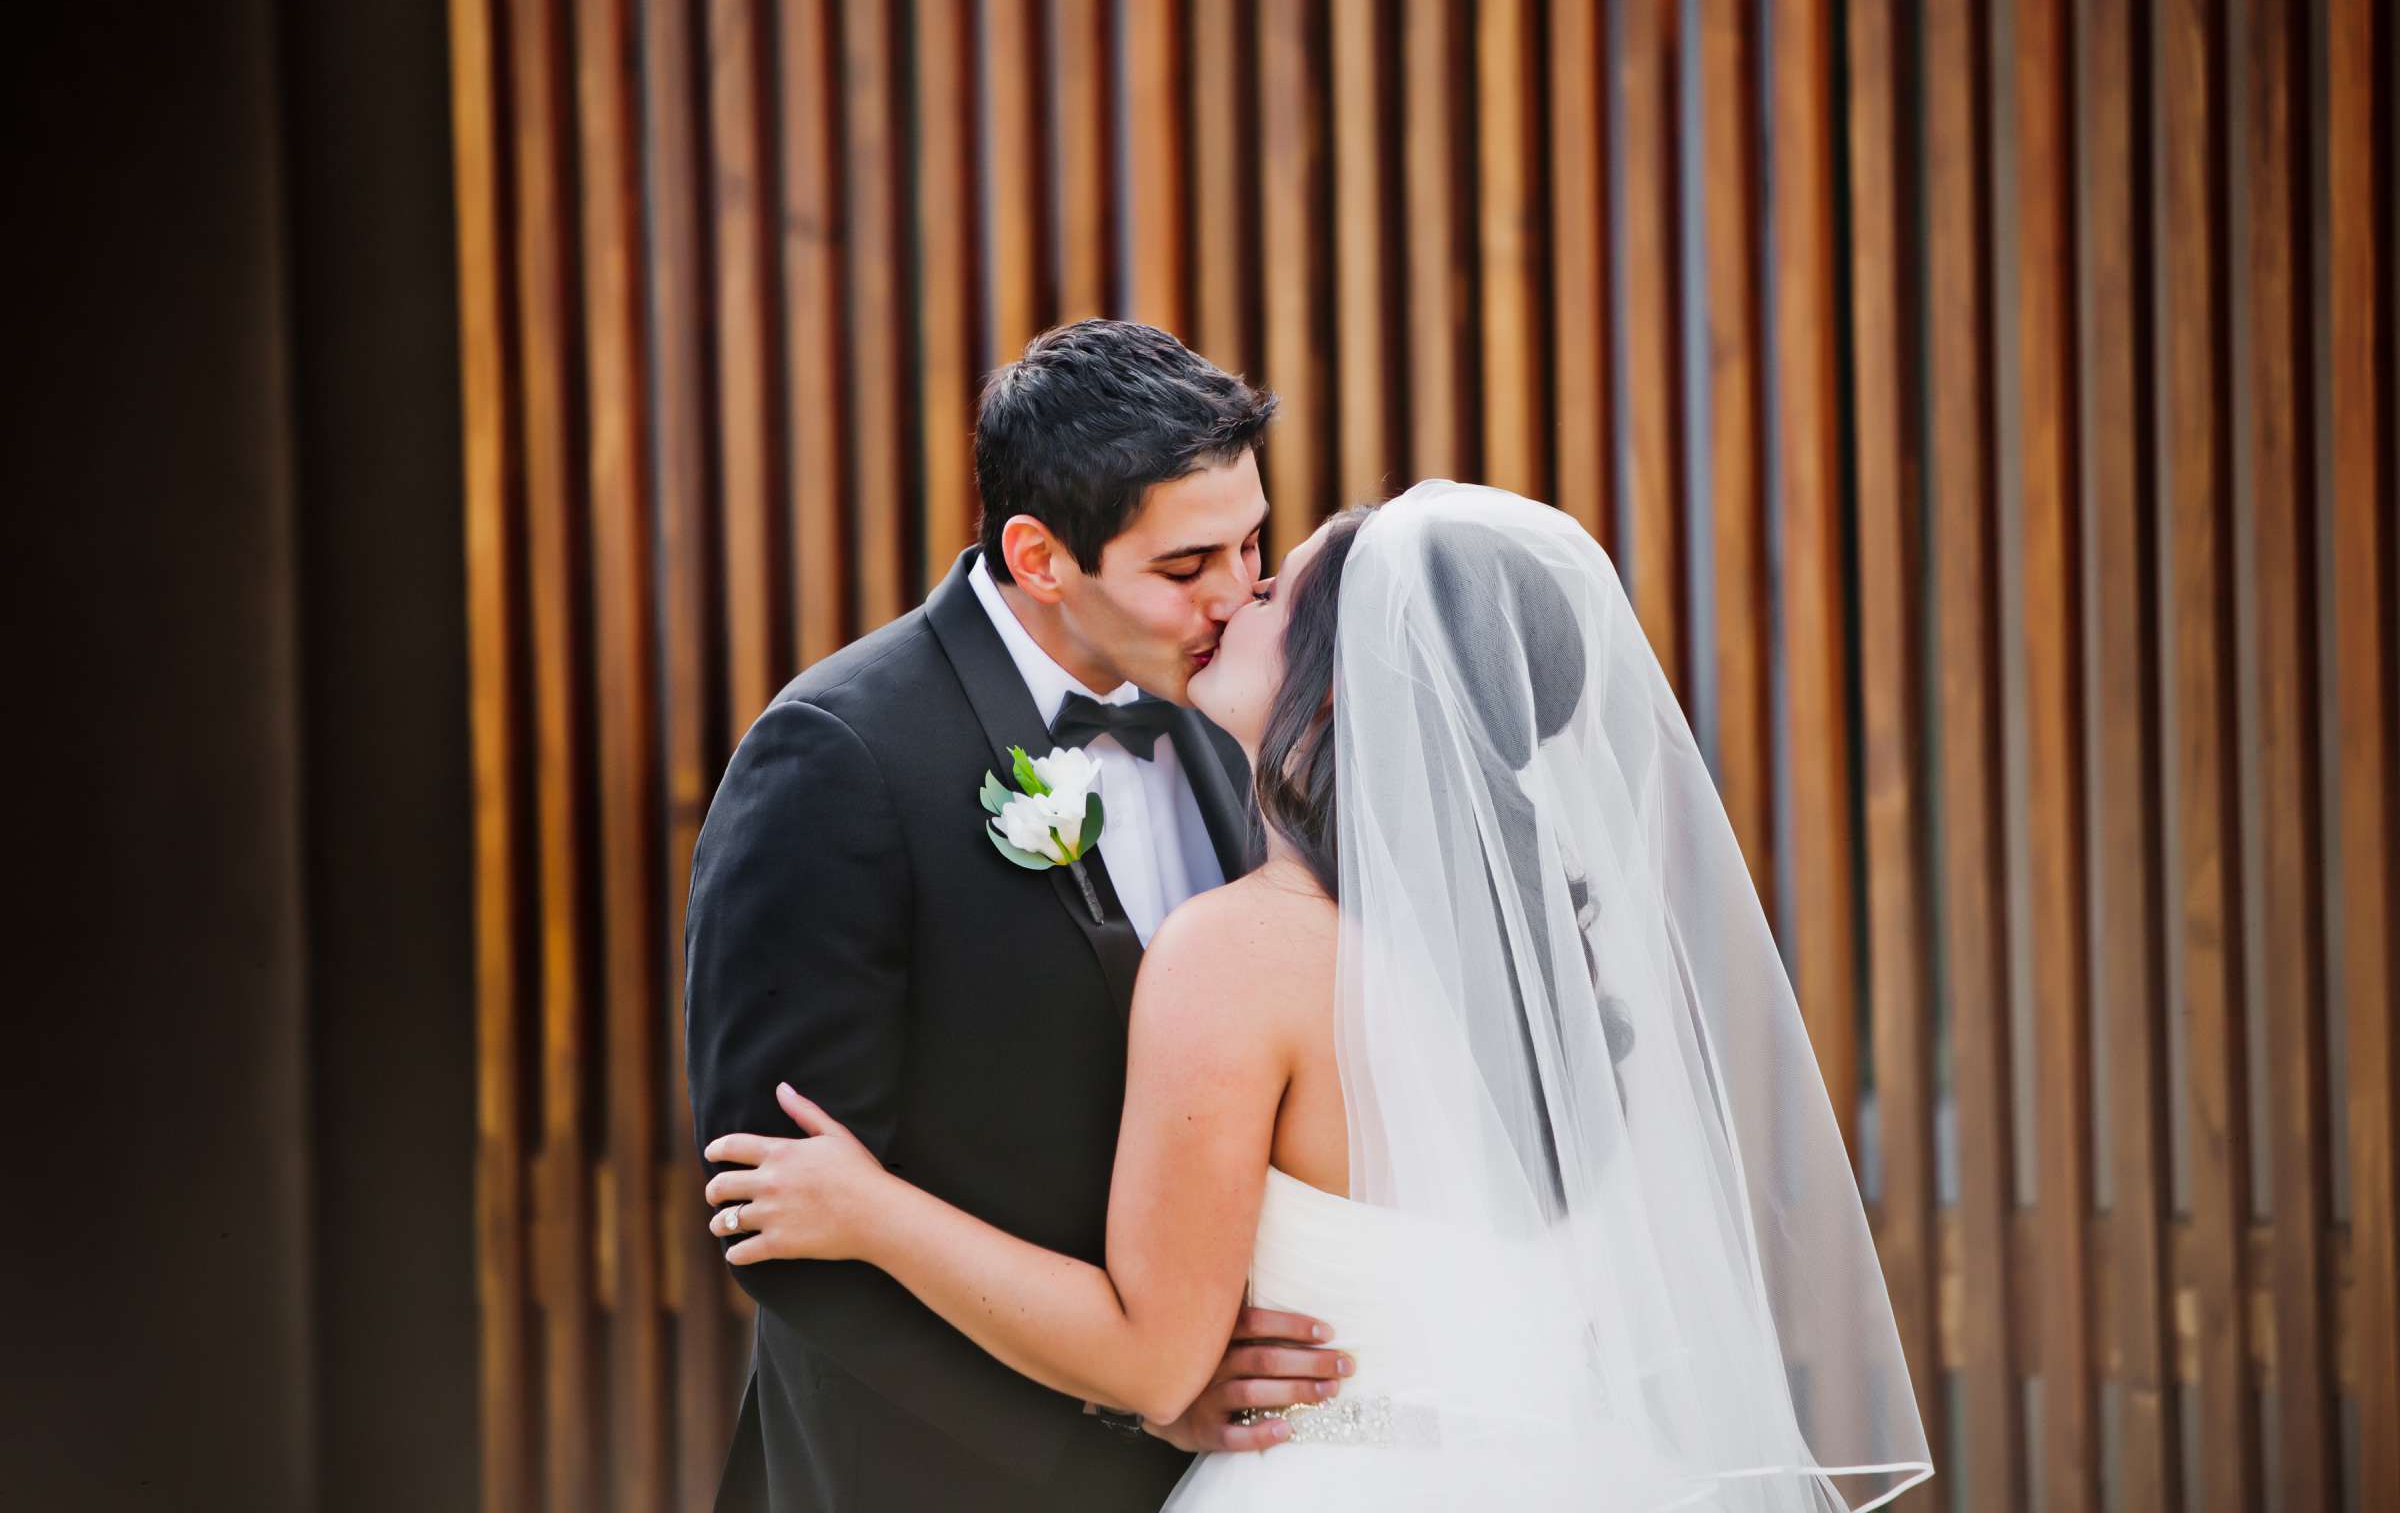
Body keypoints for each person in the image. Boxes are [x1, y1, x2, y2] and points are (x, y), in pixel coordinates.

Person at [704, 480, 1937, 1510]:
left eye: (1276, 585)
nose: (1237, 596)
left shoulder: (1241, 951)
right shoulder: (1526, 954)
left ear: (1347, 685)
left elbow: (1151, 1354)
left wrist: (869, 1210)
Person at [682, 320, 1347, 1513]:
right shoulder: (837, 756)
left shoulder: (1226, 710)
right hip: (930, 1472)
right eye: (1187, 566)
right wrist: (1124, 1403)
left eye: (1253, 545)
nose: (1241, 598)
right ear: (1040, 557)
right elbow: (772, 1210)